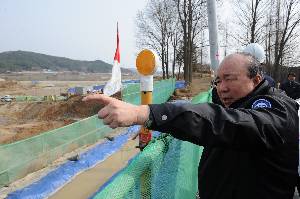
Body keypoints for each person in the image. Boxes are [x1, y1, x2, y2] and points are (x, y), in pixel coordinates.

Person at [83, 53, 299, 199]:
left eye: (229, 79)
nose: (221, 88)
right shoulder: (240, 103)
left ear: (256, 78)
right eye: (218, 81)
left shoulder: (275, 109)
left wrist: (145, 113)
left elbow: (226, 123)